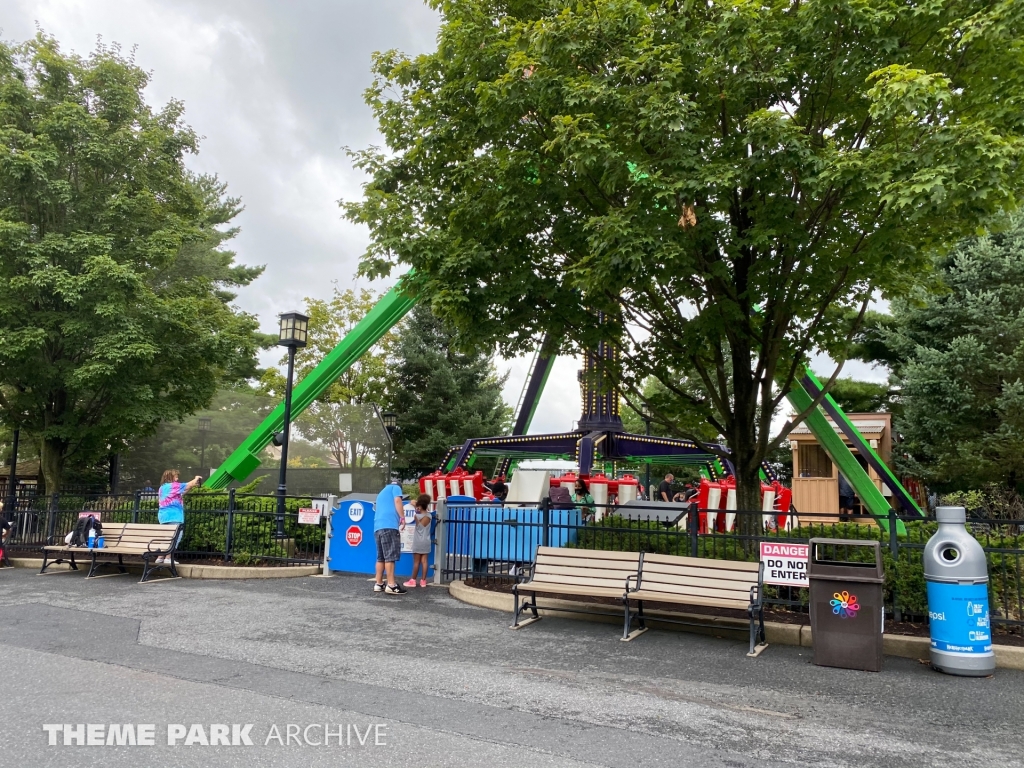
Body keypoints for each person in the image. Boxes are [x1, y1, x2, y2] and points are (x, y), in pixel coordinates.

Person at [157, 469, 201, 565]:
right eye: (175, 476)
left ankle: (160, 557)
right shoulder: (173, 486)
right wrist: (196, 479)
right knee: (175, 537)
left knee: (166, 537)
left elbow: (182, 492)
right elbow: (187, 484)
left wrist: (191, 486)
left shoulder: (162, 488)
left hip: (163, 516)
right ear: (170, 477)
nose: (177, 478)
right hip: (174, 516)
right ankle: (168, 558)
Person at [374, 480, 408, 594]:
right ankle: (391, 585)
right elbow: (397, 500)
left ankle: (378, 584)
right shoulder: (395, 488)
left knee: (381, 557)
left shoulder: (382, 492)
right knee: (390, 557)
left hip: (378, 527)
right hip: (389, 526)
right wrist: (402, 517)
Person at [405, 493, 433, 588]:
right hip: (426, 541)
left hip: (418, 542)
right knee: (424, 561)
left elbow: (414, 504)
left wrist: (415, 505)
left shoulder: (416, 516)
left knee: (416, 562)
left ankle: (413, 580)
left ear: (419, 506)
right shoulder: (429, 516)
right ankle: (423, 581)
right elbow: (424, 509)